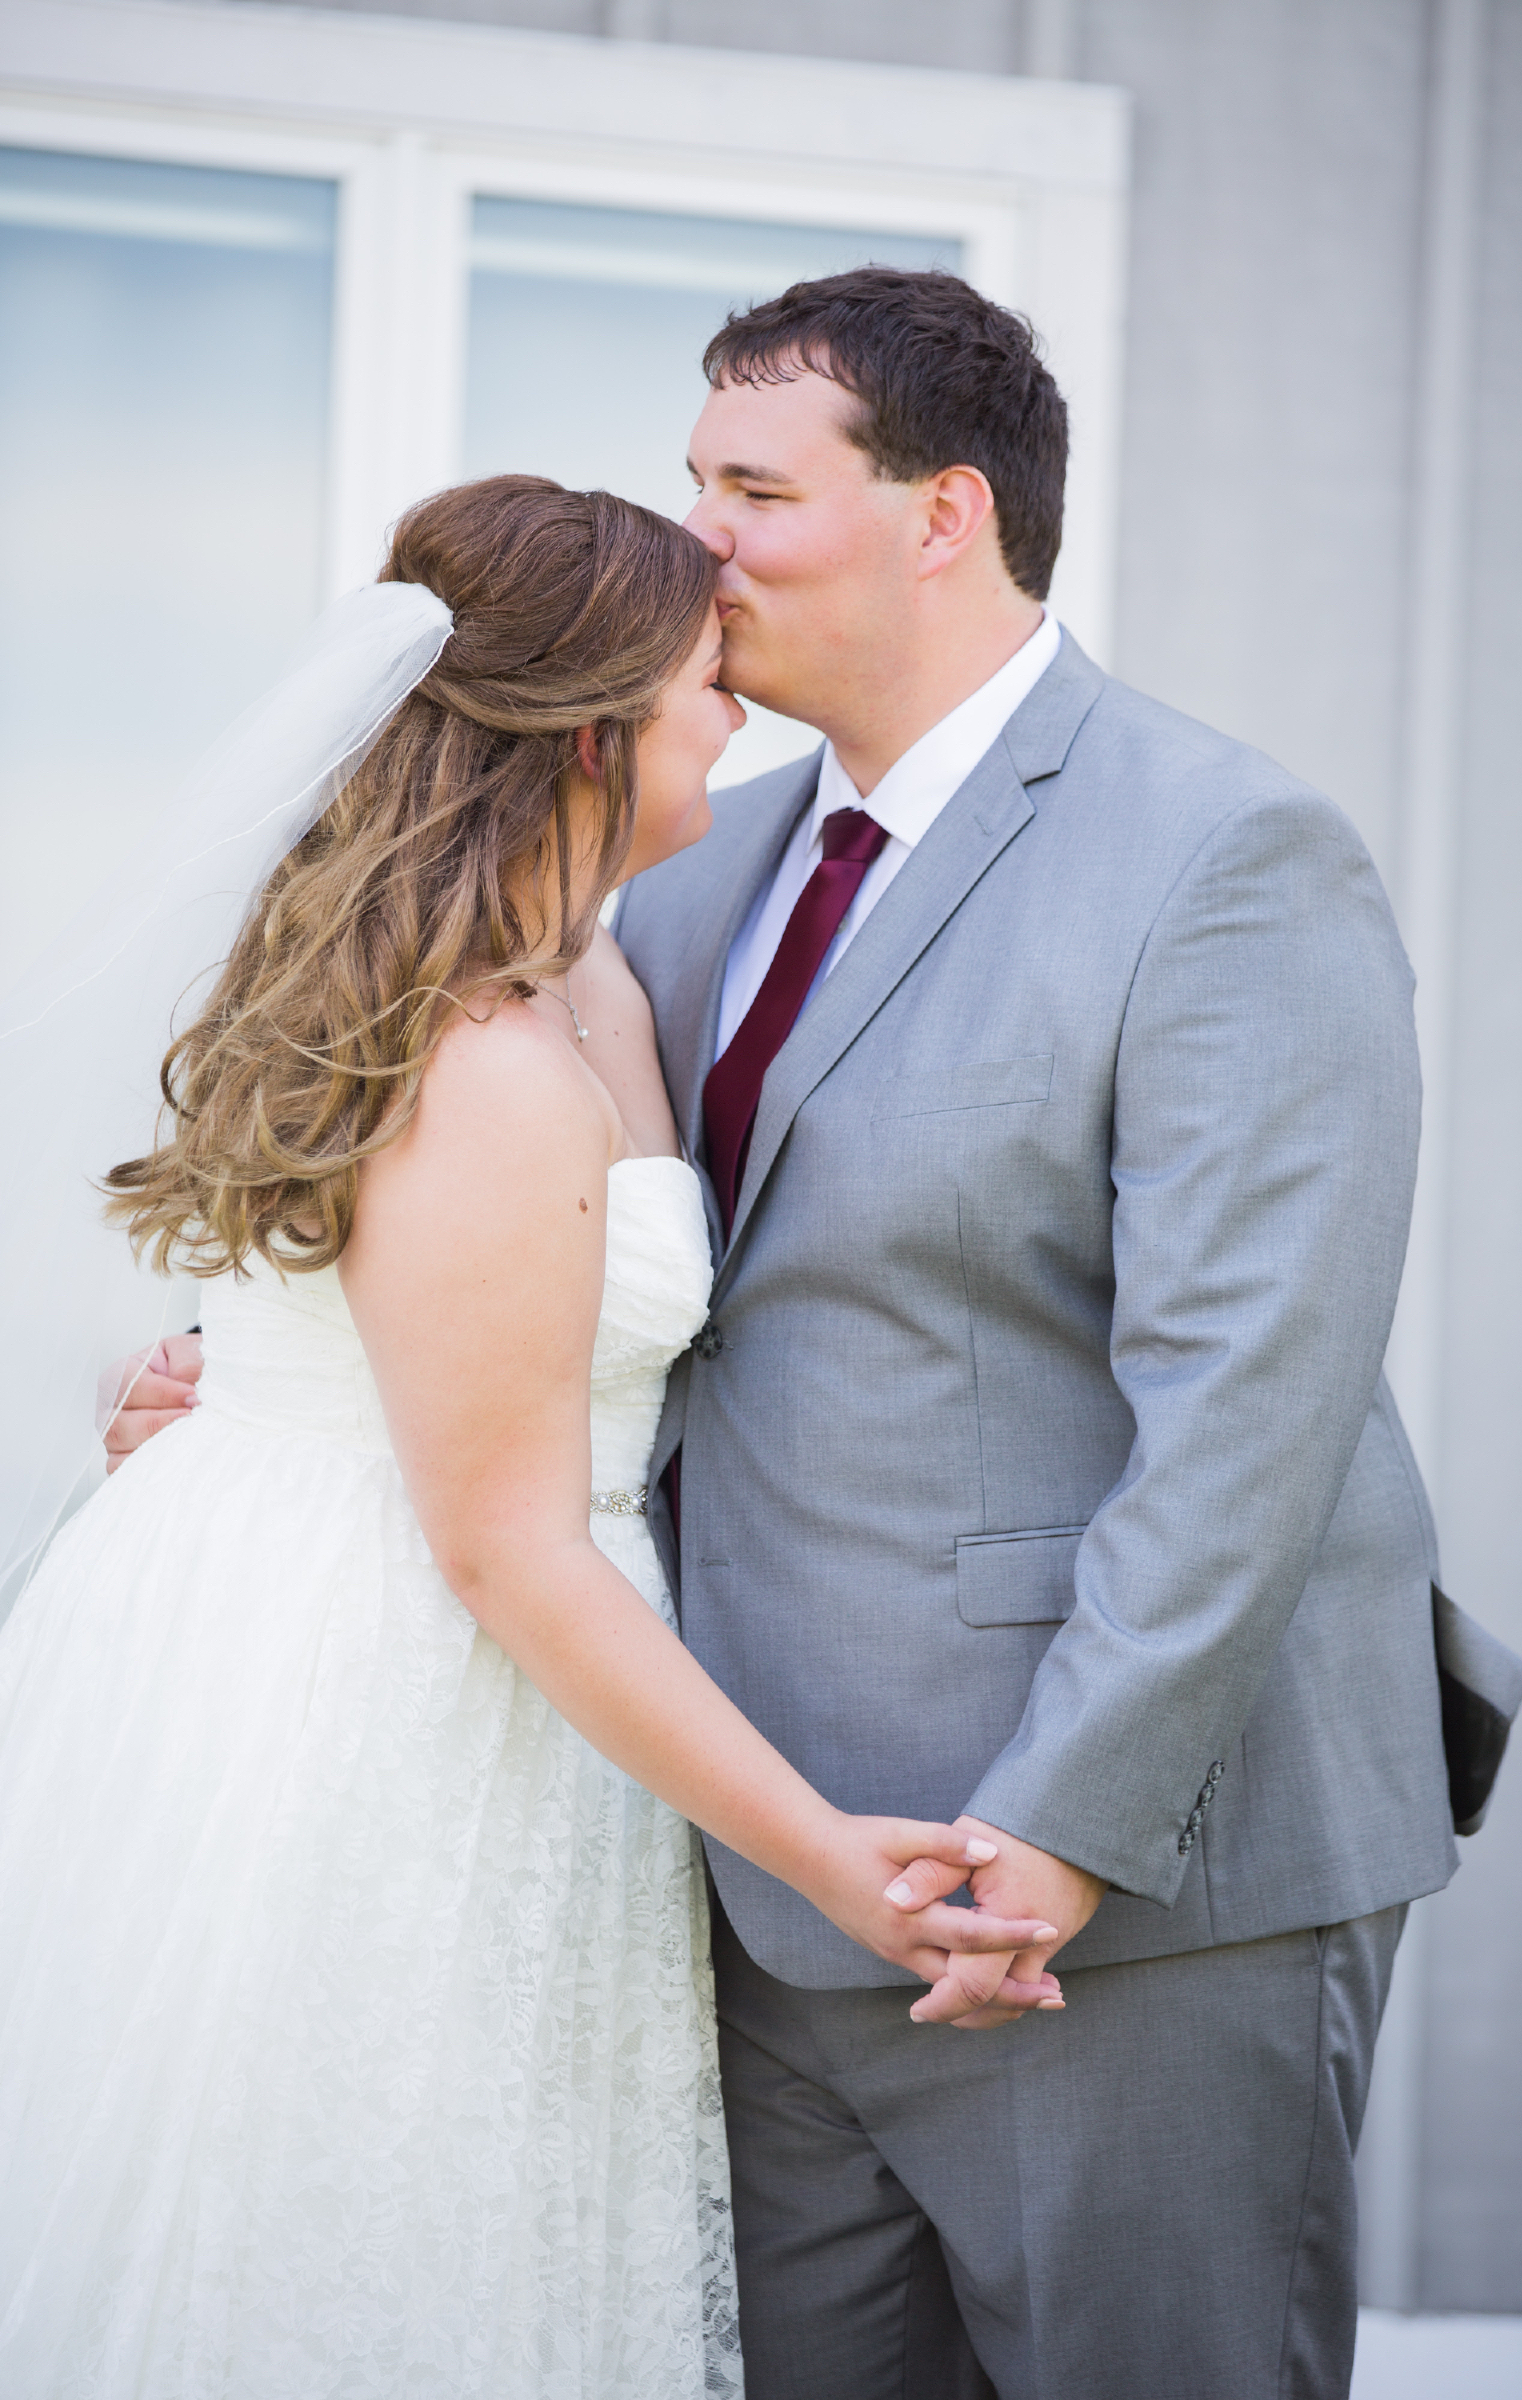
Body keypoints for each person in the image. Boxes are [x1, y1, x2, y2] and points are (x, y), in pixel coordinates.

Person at [103, 275, 1522, 2400]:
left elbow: (1251, 1402)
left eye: (752, 491)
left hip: (1104, 1893)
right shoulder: (678, 868)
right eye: (691, 486)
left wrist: (1058, 1827)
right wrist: (280, 1386)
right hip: (731, 1876)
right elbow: (551, 1273)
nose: (700, 546)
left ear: (942, 514)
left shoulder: (1220, 854)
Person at [0, 473, 1063, 2396]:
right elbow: (501, 1539)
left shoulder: (587, 972)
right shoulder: (483, 1054)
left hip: (486, 1664)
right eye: (700, 687)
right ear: (593, 733)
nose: (734, 720)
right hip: (387, 1694)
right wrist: (827, 1857)